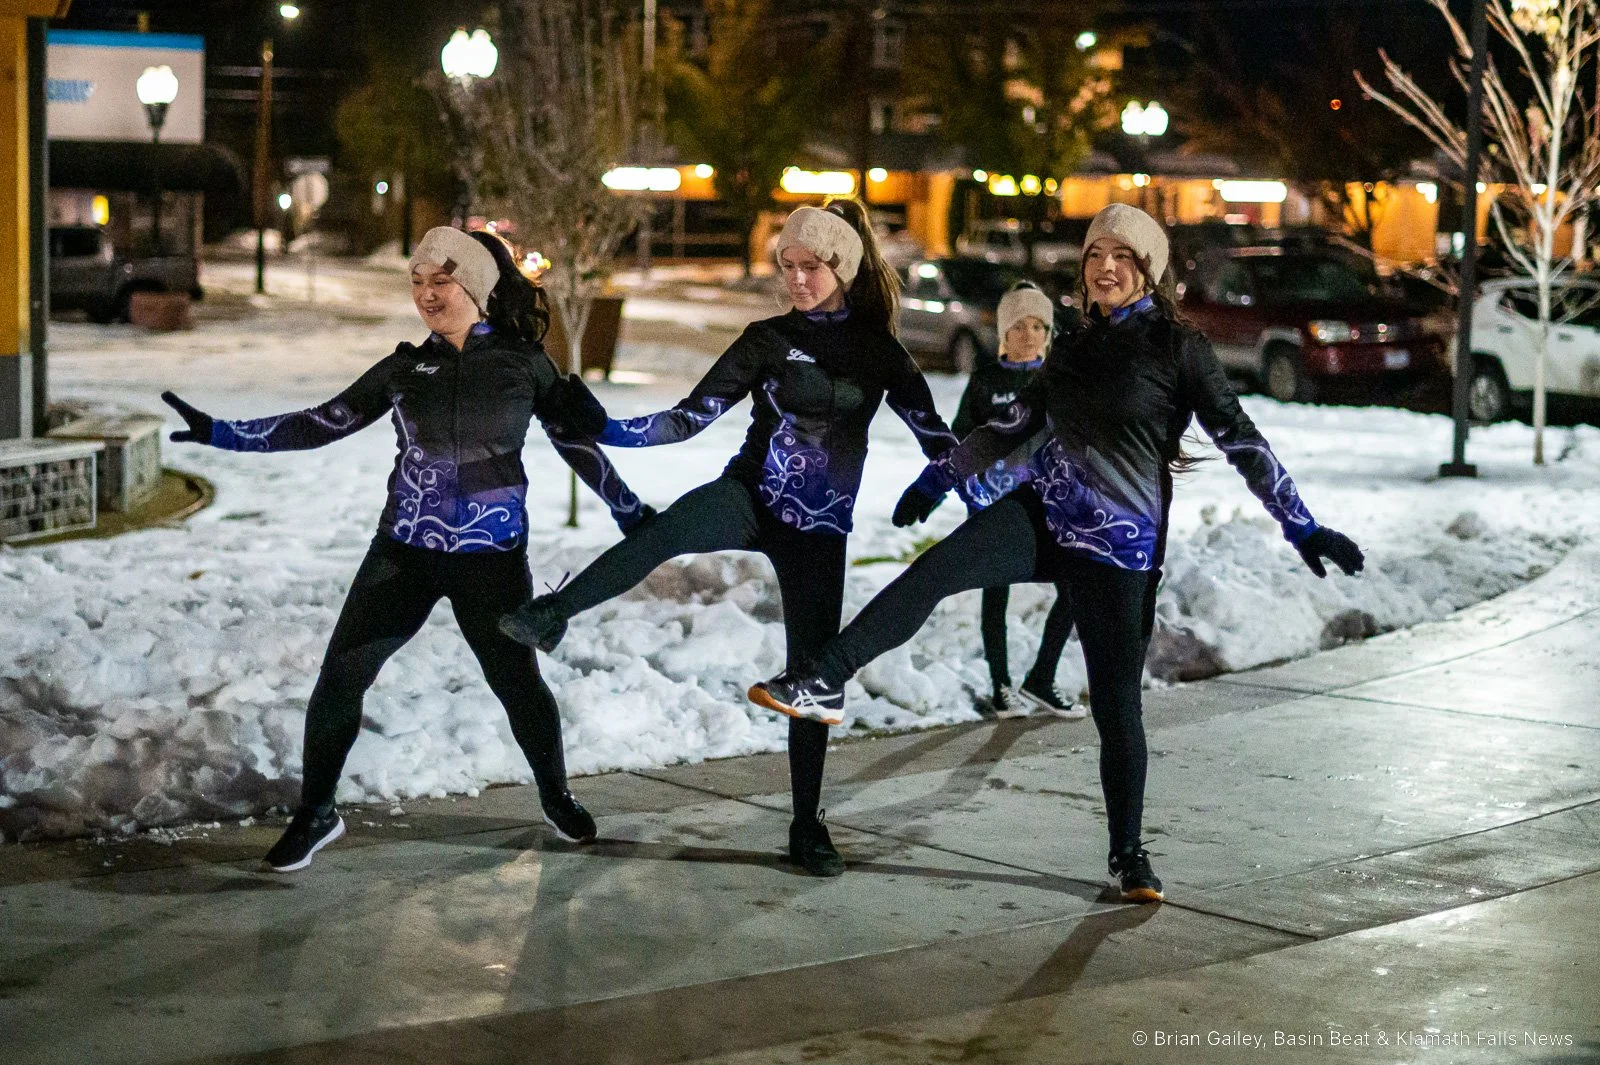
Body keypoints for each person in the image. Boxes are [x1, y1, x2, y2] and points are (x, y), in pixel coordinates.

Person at [749, 204, 1365, 903]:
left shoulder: (1178, 348)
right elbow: (1015, 422)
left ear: (1149, 269)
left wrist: (1302, 525)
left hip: (1118, 545)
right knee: (937, 569)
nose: (1105, 267)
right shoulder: (1073, 343)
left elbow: (1242, 439)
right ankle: (824, 677)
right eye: (1095, 253)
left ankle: (1129, 854)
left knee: (1116, 706)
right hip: (1044, 512)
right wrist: (940, 476)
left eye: (1122, 256)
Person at [162, 226, 652, 872]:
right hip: (404, 552)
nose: (426, 294)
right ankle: (317, 812)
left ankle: (556, 794)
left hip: (491, 559)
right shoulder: (404, 368)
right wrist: (223, 432)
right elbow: (322, 421)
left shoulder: (523, 365)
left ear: (475, 286)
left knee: (516, 682)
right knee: (341, 677)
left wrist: (628, 509)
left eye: (440, 281)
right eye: (417, 282)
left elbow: (576, 445)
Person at [499, 198, 961, 877]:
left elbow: (937, 437)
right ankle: (552, 613)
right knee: (664, 531)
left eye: (810, 267)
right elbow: (689, 417)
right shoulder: (766, 338)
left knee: (811, 677)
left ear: (842, 268)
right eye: (787, 265)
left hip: (819, 529)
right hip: (749, 496)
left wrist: (945, 481)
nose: (795, 279)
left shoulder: (879, 352)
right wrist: (606, 428)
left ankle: (808, 824)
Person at [951, 281, 1084, 720]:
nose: (1029, 335)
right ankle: (1000, 685)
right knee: (996, 594)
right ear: (1004, 333)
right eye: (1019, 327)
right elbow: (962, 437)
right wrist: (973, 485)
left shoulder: (1060, 380)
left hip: (1051, 507)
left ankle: (1042, 676)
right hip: (998, 505)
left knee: (1075, 588)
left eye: (1038, 326)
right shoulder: (987, 381)